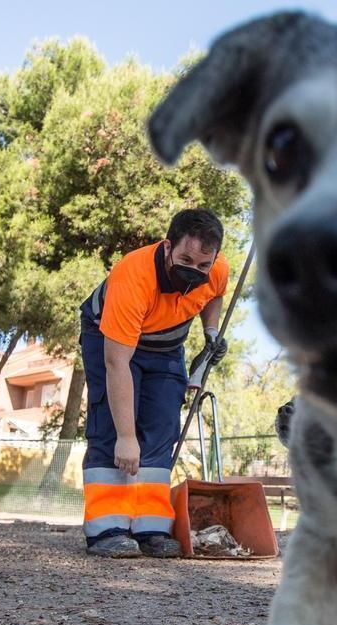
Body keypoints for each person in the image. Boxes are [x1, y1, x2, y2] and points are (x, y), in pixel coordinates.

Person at [78, 208, 229, 558]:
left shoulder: (216, 269)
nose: (194, 269)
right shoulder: (134, 275)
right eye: (185, 258)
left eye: (203, 264)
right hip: (111, 339)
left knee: (162, 427)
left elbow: (215, 294)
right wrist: (127, 437)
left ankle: (151, 527)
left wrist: (210, 331)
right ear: (167, 247)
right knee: (114, 428)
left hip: (167, 345)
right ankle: (106, 529)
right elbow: (117, 364)